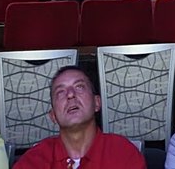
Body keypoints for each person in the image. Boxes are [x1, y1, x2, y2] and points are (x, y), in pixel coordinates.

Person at [14, 65, 145, 169]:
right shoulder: (34, 161)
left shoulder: (122, 153)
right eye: (60, 92)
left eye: (79, 87)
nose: (70, 94)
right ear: (53, 115)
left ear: (97, 103)